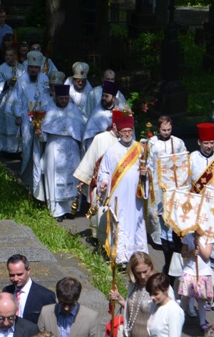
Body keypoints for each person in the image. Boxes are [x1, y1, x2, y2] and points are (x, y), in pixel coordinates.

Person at [97, 112, 151, 263]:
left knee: (136, 222)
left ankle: (138, 257)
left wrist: (146, 173)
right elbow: (104, 171)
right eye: (124, 132)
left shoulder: (141, 148)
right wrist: (103, 182)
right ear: (119, 132)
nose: (127, 134)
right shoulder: (112, 150)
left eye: (129, 131)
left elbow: (151, 169)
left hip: (136, 197)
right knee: (119, 223)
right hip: (118, 196)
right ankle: (120, 258)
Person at [32, 84, 85, 221]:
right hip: (53, 147)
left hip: (72, 148)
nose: (64, 101)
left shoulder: (74, 110)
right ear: (55, 97)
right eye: (61, 98)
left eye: (66, 98)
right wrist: (39, 133)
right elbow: (44, 137)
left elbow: (81, 130)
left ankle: (71, 209)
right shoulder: (49, 110)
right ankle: (57, 211)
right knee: (54, 177)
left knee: (73, 177)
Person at [148, 115, 188, 277]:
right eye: (163, 130)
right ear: (158, 129)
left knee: (172, 212)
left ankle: (172, 241)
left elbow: (184, 161)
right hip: (157, 182)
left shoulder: (178, 142)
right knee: (157, 212)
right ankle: (160, 240)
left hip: (174, 184)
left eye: (169, 129)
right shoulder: (152, 143)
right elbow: (148, 162)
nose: (166, 132)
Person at [7, 51, 51, 189]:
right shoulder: (22, 80)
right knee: (27, 147)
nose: (33, 70)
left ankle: (40, 181)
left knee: (40, 147)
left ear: (39, 68)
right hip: (26, 119)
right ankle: (26, 177)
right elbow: (17, 98)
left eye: (36, 67)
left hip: (42, 118)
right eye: (31, 67)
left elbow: (48, 97)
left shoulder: (45, 79)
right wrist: (18, 116)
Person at [73, 111, 120, 240]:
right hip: (101, 184)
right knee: (99, 210)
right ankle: (98, 239)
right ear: (114, 125)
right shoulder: (100, 138)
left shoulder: (127, 142)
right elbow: (91, 158)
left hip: (118, 184)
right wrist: (84, 179)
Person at [108, 252, 158, 337]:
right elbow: (134, 311)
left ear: (151, 267)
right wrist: (119, 298)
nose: (142, 276)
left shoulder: (160, 286)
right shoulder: (134, 285)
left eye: (145, 271)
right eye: (138, 273)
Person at [37, 277, 103, 337]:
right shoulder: (45, 313)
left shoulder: (91, 318)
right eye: (62, 303)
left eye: (70, 304)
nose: (66, 308)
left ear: (77, 298)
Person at [178, 231, 214, 333]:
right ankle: (183, 312)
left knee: (202, 298)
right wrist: (191, 252)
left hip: (203, 271)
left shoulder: (208, 237)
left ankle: (202, 322)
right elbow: (183, 254)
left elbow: (207, 255)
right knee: (185, 295)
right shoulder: (188, 236)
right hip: (189, 270)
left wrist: (198, 243)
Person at [3, 254, 57, 326]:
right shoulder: (7, 291)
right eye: (12, 275)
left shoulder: (45, 296)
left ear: (28, 270)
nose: (15, 279)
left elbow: (51, 324)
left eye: (19, 274)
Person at [0, 47, 25, 154]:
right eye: (6, 55)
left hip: (20, 99)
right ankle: (6, 149)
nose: (8, 57)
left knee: (19, 123)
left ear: (15, 56)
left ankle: (19, 149)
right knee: (7, 122)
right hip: (6, 99)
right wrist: (7, 83)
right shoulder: (1, 68)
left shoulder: (22, 68)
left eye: (10, 55)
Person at [82, 81, 126, 150]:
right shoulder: (96, 113)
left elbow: (127, 133)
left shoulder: (120, 112)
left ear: (114, 98)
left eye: (106, 96)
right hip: (101, 149)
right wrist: (107, 133)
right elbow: (89, 136)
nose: (103, 98)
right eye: (103, 95)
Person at [145, 273, 184, 337]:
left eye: (156, 294)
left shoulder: (174, 311)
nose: (152, 297)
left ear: (166, 290)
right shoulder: (155, 304)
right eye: (150, 293)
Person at [189, 123, 214, 193]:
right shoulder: (192, 157)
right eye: (206, 143)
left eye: (211, 143)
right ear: (199, 142)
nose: (209, 146)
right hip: (197, 194)